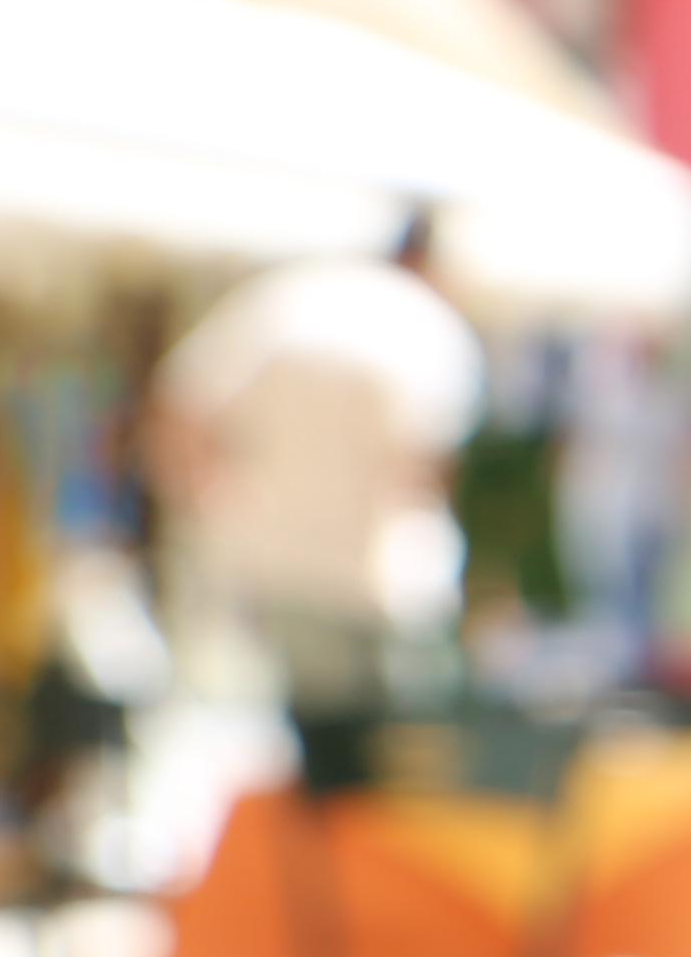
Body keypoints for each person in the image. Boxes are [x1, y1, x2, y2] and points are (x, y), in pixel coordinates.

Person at [148, 209, 485, 760]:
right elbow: (427, 467)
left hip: (273, 571)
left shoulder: (284, 300)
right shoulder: (423, 324)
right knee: (398, 765)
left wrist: (212, 508)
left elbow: (177, 415)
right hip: (380, 584)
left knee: (307, 763)